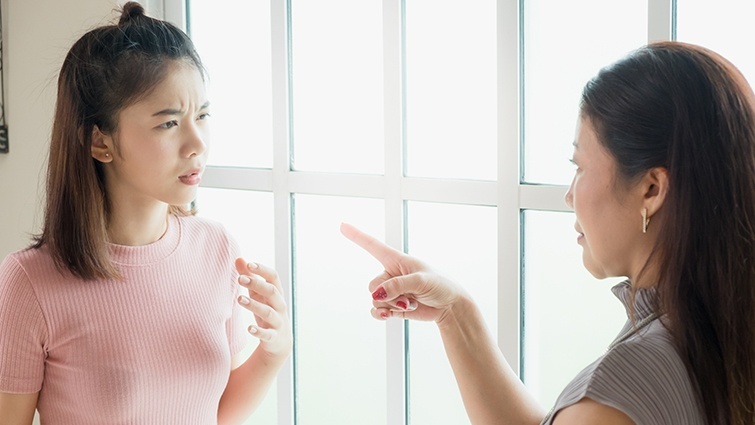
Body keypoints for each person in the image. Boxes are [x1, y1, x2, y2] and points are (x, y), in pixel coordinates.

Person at [342, 41, 755, 425]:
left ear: (651, 189)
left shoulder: (625, 386)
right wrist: (456, 314)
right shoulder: (717, 328)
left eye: (580, 167)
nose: (569, 195)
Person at [0, 3, 291, 424]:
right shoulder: (29, 281)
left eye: (202, 115)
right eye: (169, 123)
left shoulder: (217, 249)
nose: (197, 143)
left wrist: (275, 350)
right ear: (101, 143)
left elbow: (214, 413)